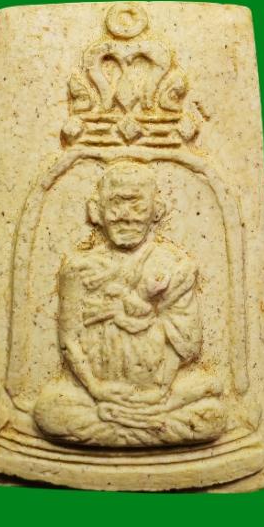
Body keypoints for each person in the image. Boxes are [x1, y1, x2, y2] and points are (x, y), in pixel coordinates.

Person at [34, 161, 225, 446]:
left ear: (156, 211)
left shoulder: (174, 267)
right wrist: (96, 389)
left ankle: (125, 424)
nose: (126, 217)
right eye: (116, 205)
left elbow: (188, 343)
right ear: (96, 211)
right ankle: (147, 427)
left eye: (137, 206)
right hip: (96, 394)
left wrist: (157, 392)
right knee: (48, 411)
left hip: (159, 394)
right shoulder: (78, 268)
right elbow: (69, 339)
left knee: (213, 417)